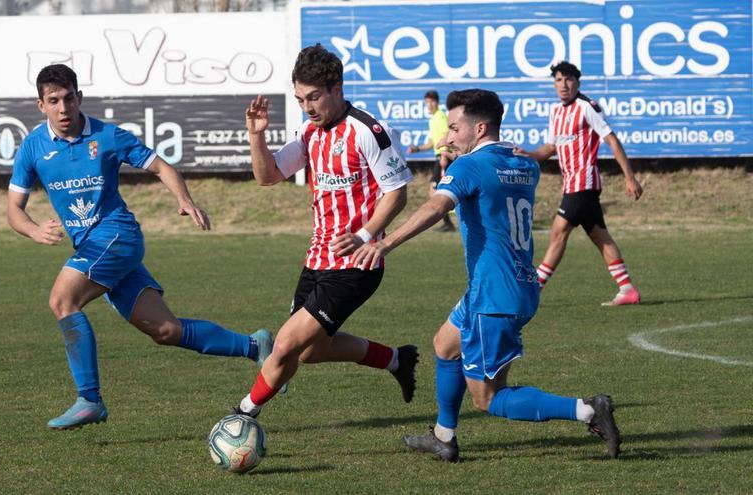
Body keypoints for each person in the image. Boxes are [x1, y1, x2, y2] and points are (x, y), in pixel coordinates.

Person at [353, 89, 621, 461]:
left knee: (489, 399)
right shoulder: (523, 164)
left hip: (493, 296)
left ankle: (589, 409)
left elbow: (436, 206)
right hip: (516, 286)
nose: (448, 136)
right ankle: (444, 436)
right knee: (445, 344)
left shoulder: (470, 167)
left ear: (479, 128)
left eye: (454, 128)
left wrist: (385, 242)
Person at [7, 64, 275, 430]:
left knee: (61, 300)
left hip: (117, 236)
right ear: (41, 105)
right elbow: (13, 210)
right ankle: (253, 346)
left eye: (69, 98)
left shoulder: (109, 135)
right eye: (53, 101)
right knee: (164, 330)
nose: (63, 108)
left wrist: (185, 199)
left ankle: (90, 399)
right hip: (93, 248)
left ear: (79, 97)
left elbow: (162, 167)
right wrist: (33, 230)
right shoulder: (33, 147)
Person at [233, 44, 419, 419]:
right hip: (317, 258)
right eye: (301, 98)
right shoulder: (310, 133)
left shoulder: (367, 131)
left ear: (337, 88)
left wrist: (366, 235)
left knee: (284, 344)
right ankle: (398, 359)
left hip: (356, 264)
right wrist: (256, 135)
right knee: (309, 352)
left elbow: (397, 193)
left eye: (314, 97)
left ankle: (239, 416)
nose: (308, 107)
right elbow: (267, 176)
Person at [518, 61, 643, 306]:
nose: (563, 85)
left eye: (568, 79)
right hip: (572, 184)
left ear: (577, 82)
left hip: (584, 182)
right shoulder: (556, 112)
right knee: (600, 236)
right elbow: (550, 148)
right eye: (558, 80)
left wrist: (630, 177)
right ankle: (627, 289)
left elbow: (612, 141)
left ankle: (533, 291)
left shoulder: (587, 107)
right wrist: (528, 155)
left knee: (558, 232)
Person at [407, 90, 455, 231]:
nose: (429, 105)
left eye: (432, 101)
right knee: (435, 191)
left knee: (436, 191)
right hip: (439, 157)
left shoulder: (440, 116)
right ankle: (448, 223)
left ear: (437, 102)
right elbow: (431, 143)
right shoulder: (433, 119)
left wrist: (445, 155)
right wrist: (417, 149)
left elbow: (447, 135)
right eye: (427, 102)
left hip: (443, 157)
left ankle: (448, 223)